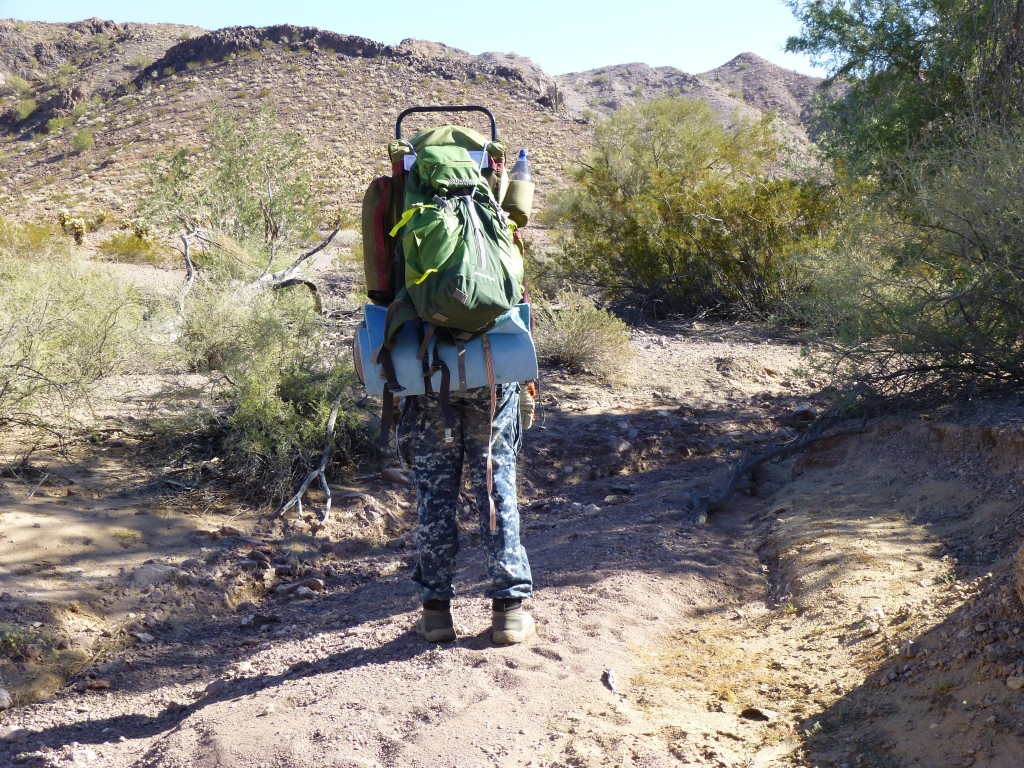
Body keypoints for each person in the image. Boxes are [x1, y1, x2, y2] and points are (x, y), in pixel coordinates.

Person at [397, 379, 535, 644]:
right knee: (496, 489)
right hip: (490, 378)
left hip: (428, 381)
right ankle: (508, 614)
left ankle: (436, 615)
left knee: (434, 499)